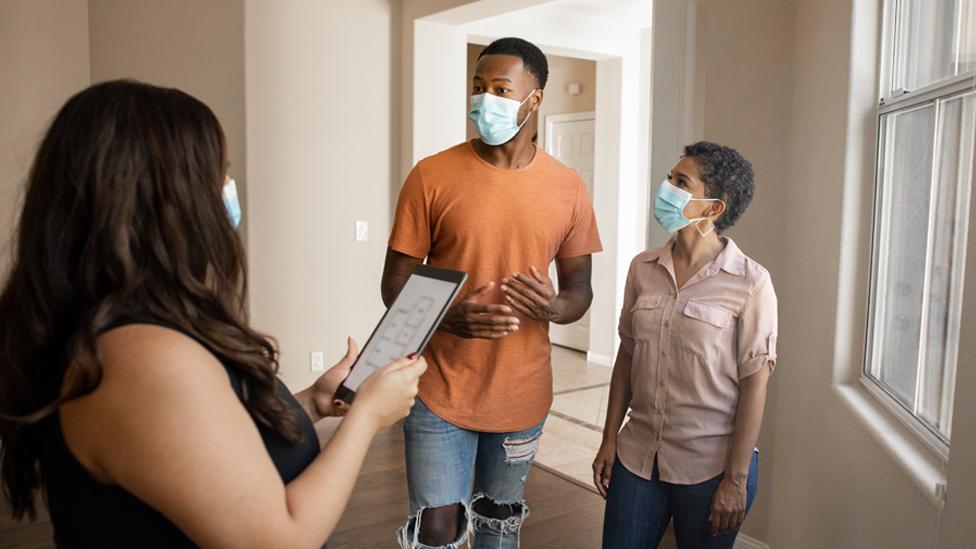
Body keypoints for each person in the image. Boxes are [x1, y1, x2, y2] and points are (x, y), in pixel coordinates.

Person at [0, 80, 426, 548]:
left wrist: (313, 402)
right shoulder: (145, 360)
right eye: (219, 172)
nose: (229, 187)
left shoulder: (128, 330)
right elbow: (276, 540)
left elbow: (203, 443)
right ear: (166, 197)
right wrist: (366, 416)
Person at [382, 37, 603, 549]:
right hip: (439, 389)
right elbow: (394, 283)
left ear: (535, 98)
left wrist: (553, 308)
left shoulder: (568, 187)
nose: (485, 99)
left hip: (521, 393)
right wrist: (451, 317)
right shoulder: (432, 174)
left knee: (498, 522)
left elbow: (580, 289)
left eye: (501, 88)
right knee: (437, 530)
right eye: (478, 87)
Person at [594, 142, 777, 549]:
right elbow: (627, 355)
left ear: (714, 208)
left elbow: (755, 386)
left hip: (710, 468)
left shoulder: (750, 283)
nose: (666, 188)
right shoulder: (642, 268)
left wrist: (736, 479)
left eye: (681, 182)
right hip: (638, 456)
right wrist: (609, 439)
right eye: (669, 177)